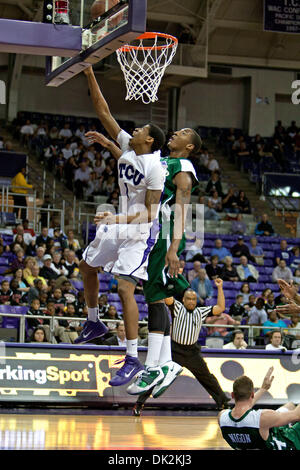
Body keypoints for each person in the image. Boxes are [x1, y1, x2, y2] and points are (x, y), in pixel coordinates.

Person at [75, 66, 166, 388]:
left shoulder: (157, 167)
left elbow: (151, 213)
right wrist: (88, 71)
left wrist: (117, 219)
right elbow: (103, 110)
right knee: (86, 267)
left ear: (150, 140)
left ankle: (132, 358)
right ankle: (94, 323)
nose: (134, 129)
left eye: (141, 128)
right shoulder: (130, 148)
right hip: (120, 222)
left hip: (139, 230)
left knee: (125, 288)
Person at [132, 281, 230, 415]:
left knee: (207, 378)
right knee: (159, 376)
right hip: (175, 352)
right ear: (183, 300)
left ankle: (223, 403)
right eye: (188, 299)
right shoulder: (177, 307)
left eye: (194, 299)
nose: (191, 301)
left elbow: (220, 307)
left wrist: (219, 287)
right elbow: (167, 297)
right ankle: (139, 403)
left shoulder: (201, 311)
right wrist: (174, 279)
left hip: (192, 353)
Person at [219, 367, 300, 450]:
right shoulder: (262, 417)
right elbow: (297, 415)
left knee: (289, 406)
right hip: (286, 444)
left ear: (232, 395)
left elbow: (243, 412)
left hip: (258, 437)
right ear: (252, 395)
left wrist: (263, 389)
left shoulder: (222, 417)